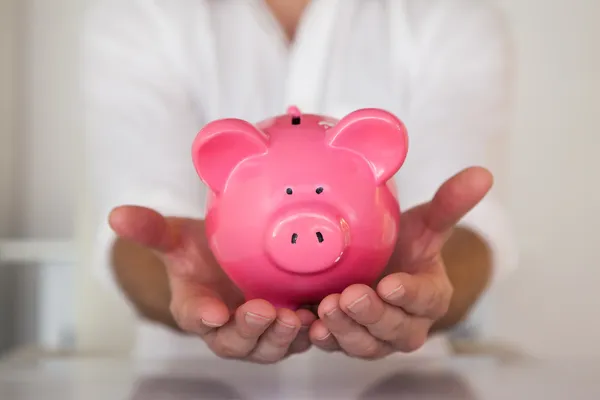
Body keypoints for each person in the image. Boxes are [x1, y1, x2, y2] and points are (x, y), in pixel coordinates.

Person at [82, 0, 518, 362]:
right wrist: (189, 277)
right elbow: (140, 217)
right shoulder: (138, 11)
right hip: (195, 377)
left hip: (397, 378)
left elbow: (465, 224)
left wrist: (416, 287)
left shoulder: (449, 13)